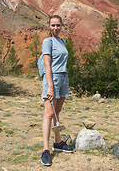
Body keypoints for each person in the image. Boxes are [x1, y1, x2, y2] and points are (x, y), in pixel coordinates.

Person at [40, 15, 75, 166]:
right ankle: (45, 150)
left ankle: (58, 143)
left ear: (62, 26)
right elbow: (47, 65)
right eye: (53, 25)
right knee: (48, 114)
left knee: (56, 112)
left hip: (63, 78)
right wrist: (50, 86)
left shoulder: (62, 41)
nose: (55, 28)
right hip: (52, 79)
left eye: (58, 25)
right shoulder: (47, 42)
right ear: (49, 26)